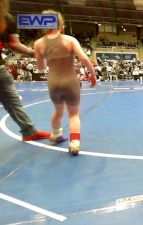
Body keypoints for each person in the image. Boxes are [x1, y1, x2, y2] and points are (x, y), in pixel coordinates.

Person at [34, 10, 96, 156]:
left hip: (53, 82)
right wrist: (92, 75)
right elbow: (84, 59)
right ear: (61, 25)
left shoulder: (38, 43)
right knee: (73, 115)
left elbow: (40, 67)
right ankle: (74, 144)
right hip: (70, 82)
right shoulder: (70, 40)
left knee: (58, 111)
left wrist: (45, 55)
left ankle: (56, 134)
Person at [0, 0, 51, 141]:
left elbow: (13, 44)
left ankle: (29, 131)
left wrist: (33, 53)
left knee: (12, 100)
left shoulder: (7, 19)